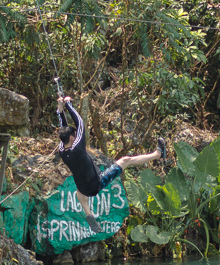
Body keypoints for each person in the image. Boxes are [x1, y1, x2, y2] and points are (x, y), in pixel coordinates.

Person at [56, 95, 165, 231]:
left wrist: (60, 110)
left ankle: (88, 213)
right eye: (75, 134)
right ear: (72, 138)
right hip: (97, 182)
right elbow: (80, 123)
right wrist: (68, 105)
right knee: (126, 160)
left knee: (80, 190)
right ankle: (158, 154)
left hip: (83, 187)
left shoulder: (62, 150)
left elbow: (63, 130)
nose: (76, 134)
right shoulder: (77, 147)